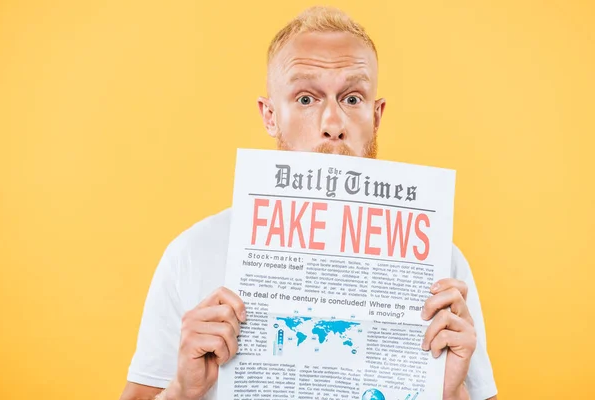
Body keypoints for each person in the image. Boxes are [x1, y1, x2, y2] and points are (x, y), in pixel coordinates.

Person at [119, 6, 498, 400]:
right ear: (270, 116)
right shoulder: (192, 254)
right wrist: (182, 388)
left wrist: (451, 390)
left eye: (352, 98)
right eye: (305, 98)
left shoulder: (441, 266)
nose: (332, 123)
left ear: (377, 116)